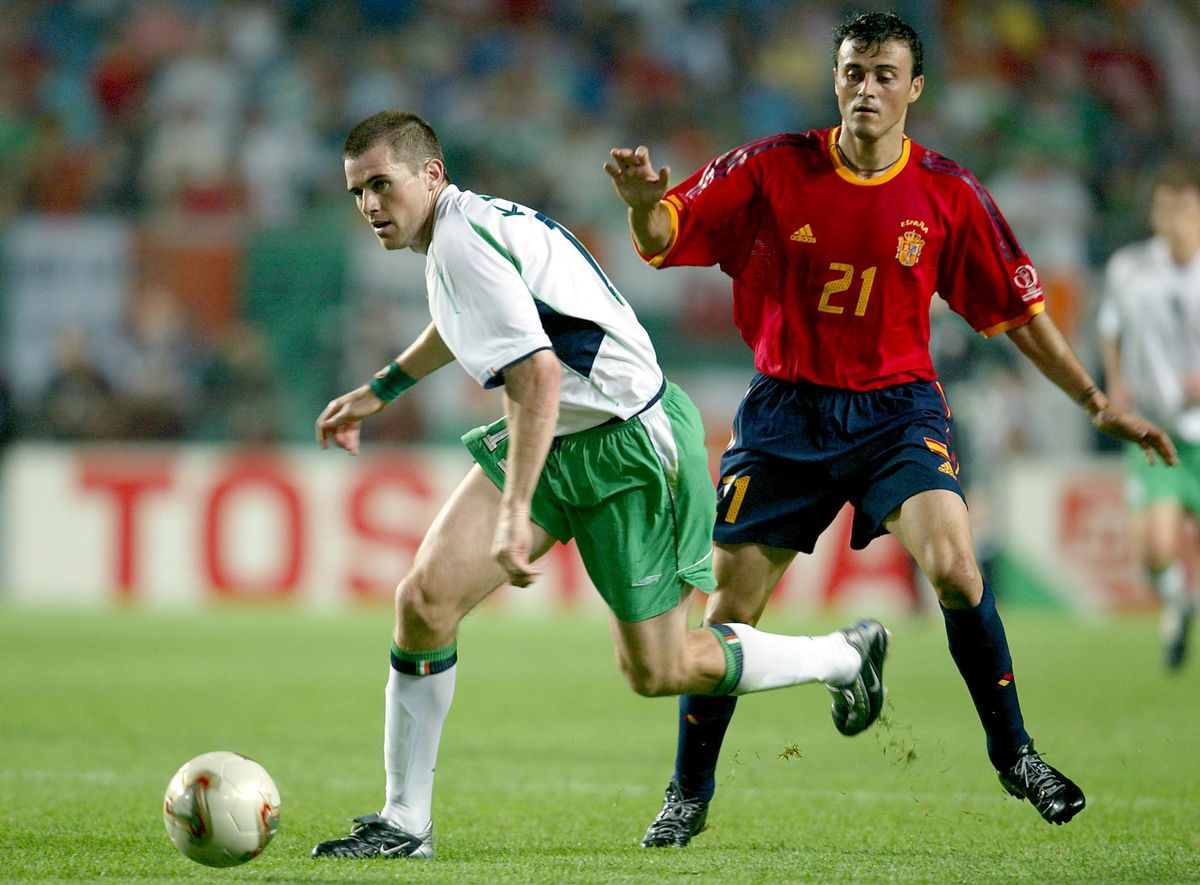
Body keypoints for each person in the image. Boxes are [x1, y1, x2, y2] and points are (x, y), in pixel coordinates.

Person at [604, 10, 1178, 844]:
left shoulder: (947, 193)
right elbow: (667, 234)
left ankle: (1015, 752)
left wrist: (1094, 401)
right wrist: (640, 206)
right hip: (785, 412)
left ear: (914, 88)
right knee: (731, 607)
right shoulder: (769, 167)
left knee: (953, 566)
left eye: (882, 74)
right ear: (834, 79)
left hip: (896, 409)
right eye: (852, 72)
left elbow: (1018, 313)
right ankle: (688, 792)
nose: (865, 87)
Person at [310, 110, 892, 861]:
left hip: (630, 446)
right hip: (561, 433)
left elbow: (537, 372)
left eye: (380, 185)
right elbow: (469, 326)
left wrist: (514, 510)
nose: (368, 206)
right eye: (357, 192)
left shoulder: (460, 240)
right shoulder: (457, 233)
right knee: (424, 602)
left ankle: (841, 656)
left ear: (430, 174)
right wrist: (380, 388)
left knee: (659, 669)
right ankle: (404, 821)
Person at [1098, 162, 1200, 670]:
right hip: (1156, 428)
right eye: (1166, 209)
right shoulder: (1129, 268)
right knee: (1156, 549)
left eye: (1184, 209)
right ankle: (1180, 602)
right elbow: (1111, 326)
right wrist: (1116, 381)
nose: (1175, 220)